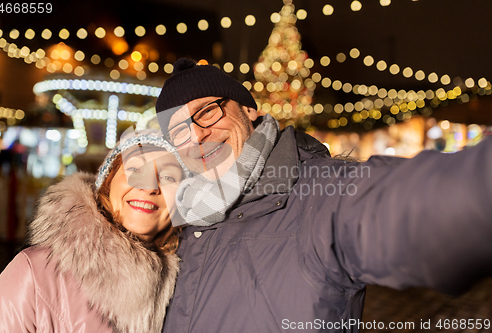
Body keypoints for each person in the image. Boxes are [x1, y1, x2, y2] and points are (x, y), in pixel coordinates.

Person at [154, 58, 492, 333]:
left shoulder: (322, 195)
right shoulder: (178, 221)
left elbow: (429, 203)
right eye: (179, 130)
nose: (197, 136)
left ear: (249, 109)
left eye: (207, 112)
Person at [0, 131, 188, 333]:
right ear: (107, 183)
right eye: (135, 169)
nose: (149, 186)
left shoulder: (188, 287)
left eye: (167, 176)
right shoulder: (34, 273)